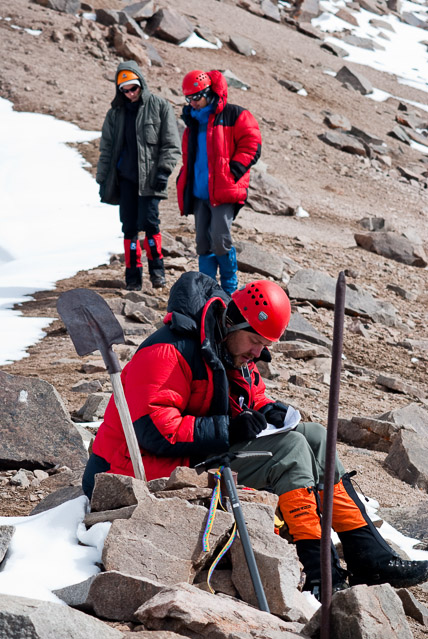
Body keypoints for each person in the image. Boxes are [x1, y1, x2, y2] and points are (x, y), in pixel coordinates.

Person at [82, 271, 428, 597]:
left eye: (264, 346)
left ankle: (367, 554)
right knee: (290, 449)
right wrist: (229, 428)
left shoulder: (222, 342)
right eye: (255, 342)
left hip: (186, 452)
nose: (258, 353)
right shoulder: (168, 352)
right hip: (132, 467)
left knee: (315, 437)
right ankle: (319, 570)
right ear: (233, 322)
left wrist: (264, 408)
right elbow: (154, 431)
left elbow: (244, 392)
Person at [96, 61, 181, 290]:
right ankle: (133, 278)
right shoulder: (115, 114)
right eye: (125, 90)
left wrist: (163, 171)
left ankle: (158, 274)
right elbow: (106, 150)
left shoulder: (160, 106)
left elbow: (172, 144)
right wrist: (102, 179)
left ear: (141, 83)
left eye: (133, 88)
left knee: (150, 224)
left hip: (151, 180)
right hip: (124, 179)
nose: (130, 93)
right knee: (129, 227)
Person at [176, 70, 262, 296]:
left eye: (196, 97)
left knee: (220, 239)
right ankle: (207, 290)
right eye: (188, 99)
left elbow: (252, 143)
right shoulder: (192, 124)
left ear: (208, 93)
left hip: (223, 191)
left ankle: (229, 291)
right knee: (202, 243)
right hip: (199, 193)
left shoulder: (234, 114)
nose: (192, 103)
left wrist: (233, 171)